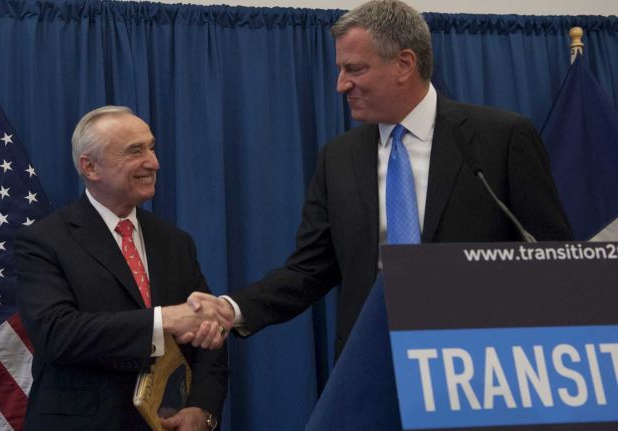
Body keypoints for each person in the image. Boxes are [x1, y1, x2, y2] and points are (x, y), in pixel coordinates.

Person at [188, 0, 572, 357]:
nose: (341, 84)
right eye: (341, 70)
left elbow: (552, 257)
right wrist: (231, 309)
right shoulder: (339, 157)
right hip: (370, 361)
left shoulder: (500, 138)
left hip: (479, 360)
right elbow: (309, 269)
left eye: (355, 69)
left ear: (404, 64)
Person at [15, 106, 229, 430]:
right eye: (135, 151)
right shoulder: (44, 241)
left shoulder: (174, 241)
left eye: (152, 148)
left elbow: (209, 336)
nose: (153, 162)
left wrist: (202, 409)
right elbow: (56, 334)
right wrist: (163, 320)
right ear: (90, 167)